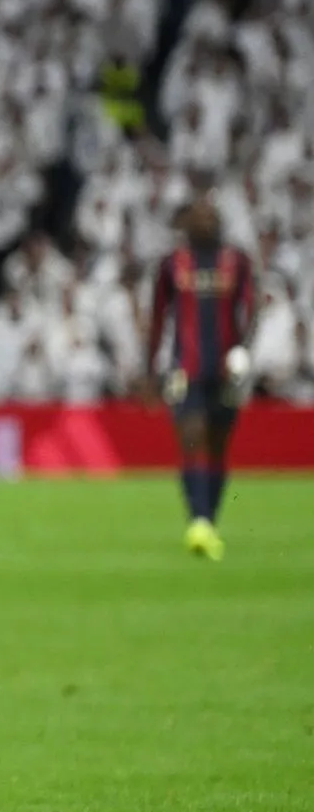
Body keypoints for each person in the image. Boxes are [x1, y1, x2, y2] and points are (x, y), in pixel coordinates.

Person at [146, 195, 255, 561]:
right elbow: (159, 316)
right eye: (198, 216)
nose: (205, 222)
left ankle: (208, 520)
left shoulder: (236, 261)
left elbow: (251, 307)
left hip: (226, 370)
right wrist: (150, 368)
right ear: (187, 223)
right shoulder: (171, 264)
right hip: (185, 368)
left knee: (219, 445)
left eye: (211, 216)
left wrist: (243, 349)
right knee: (192, 439)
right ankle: (198, 522)